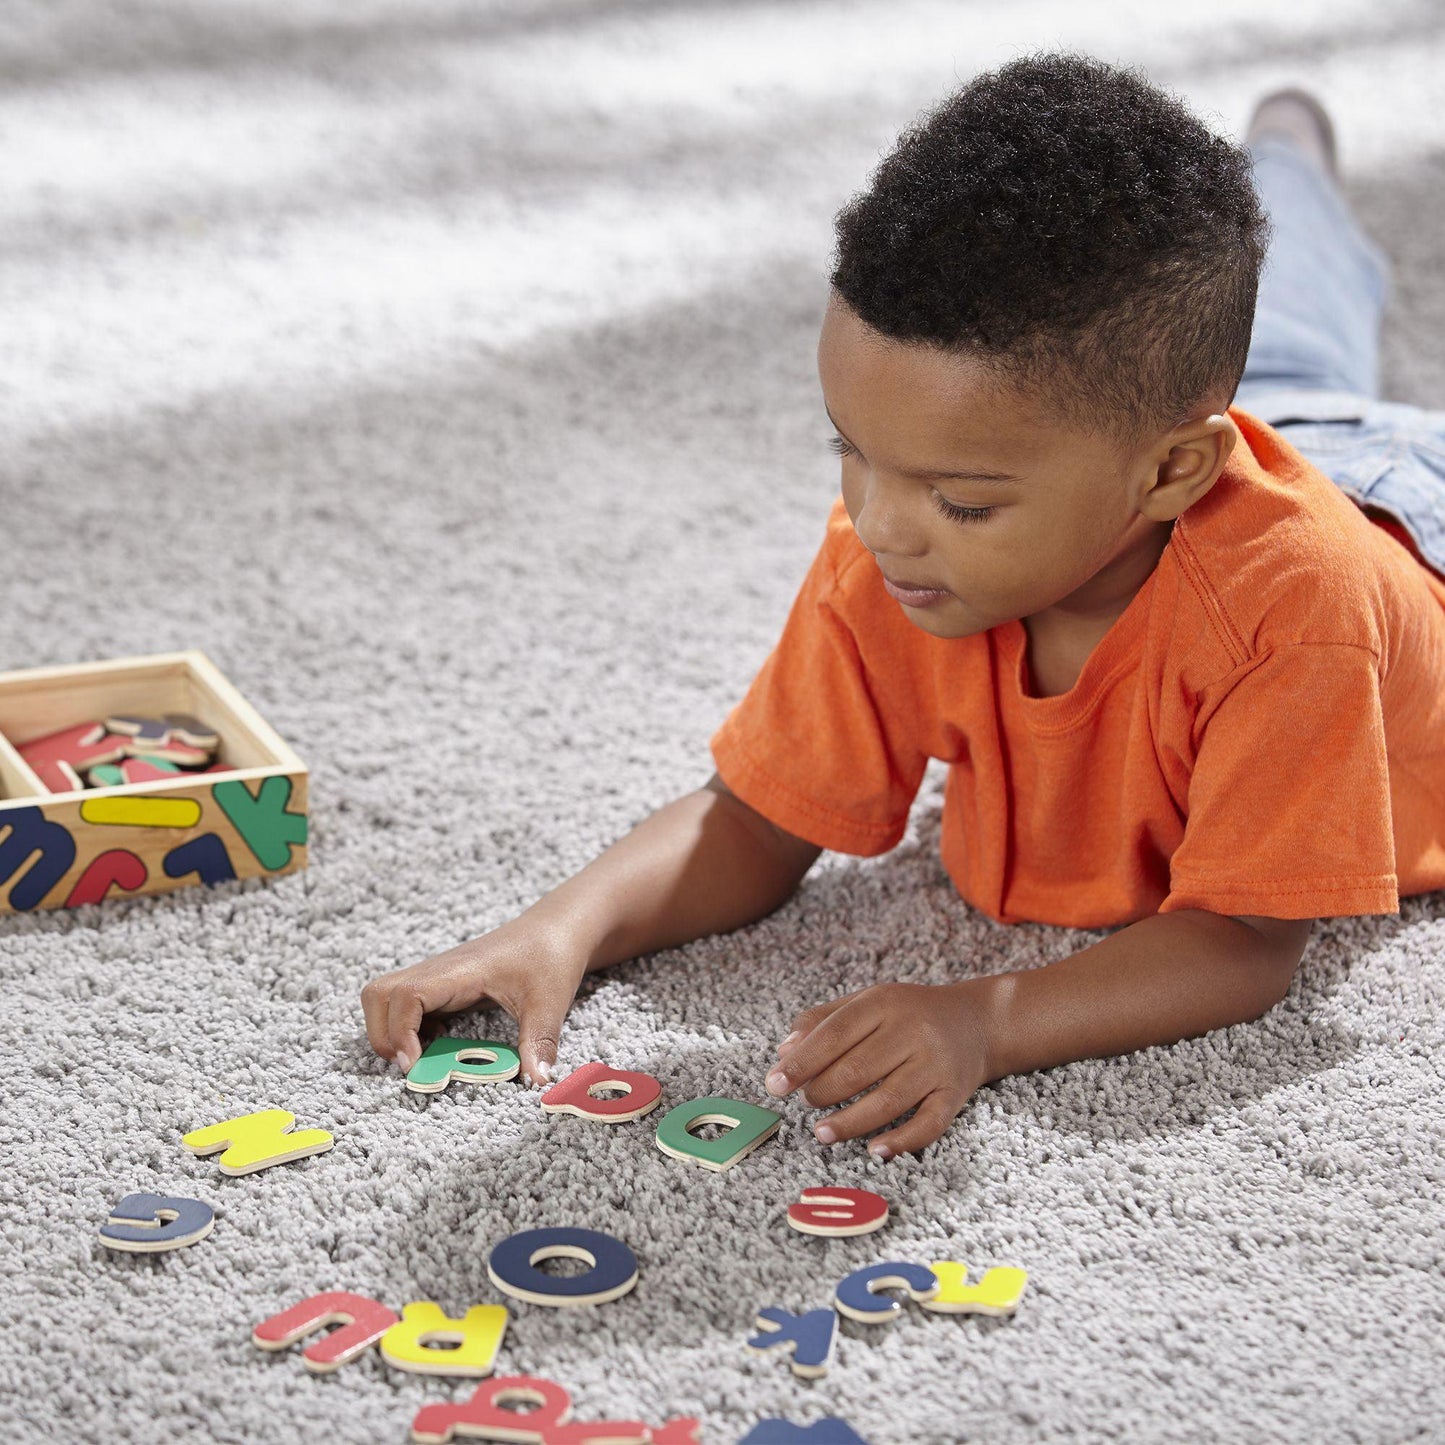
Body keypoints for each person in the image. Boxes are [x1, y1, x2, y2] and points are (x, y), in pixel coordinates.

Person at [361, 53, 1445, 1161]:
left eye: (961, 498)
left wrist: (985, 1017)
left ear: (1171, 472)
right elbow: (751, 817)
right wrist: (557, 928)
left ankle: (1282, 169)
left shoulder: (1295, 615)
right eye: (851, 450)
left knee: (1302, 331)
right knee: (1294, 325)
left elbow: (1246, 939)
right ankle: (1286, 156)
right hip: (1226, 435)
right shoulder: (906, 548)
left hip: (1399, 521)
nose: (877, 522)